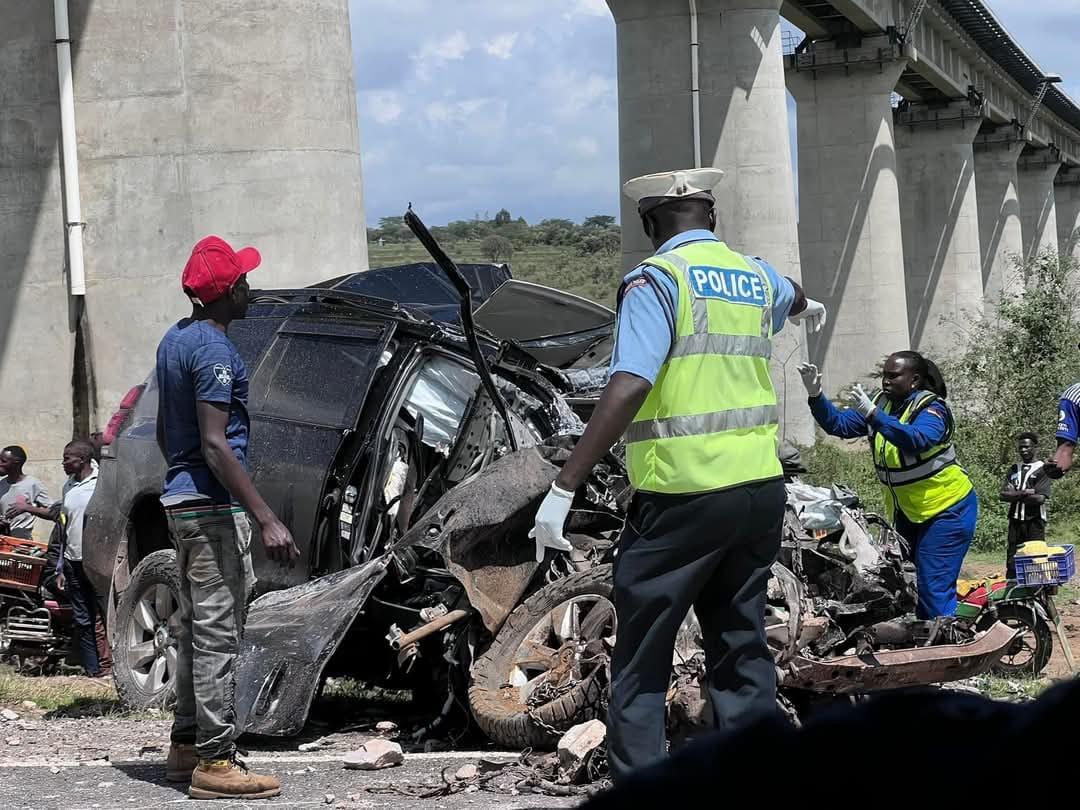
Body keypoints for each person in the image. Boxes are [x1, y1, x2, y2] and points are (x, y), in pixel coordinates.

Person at [531, 168, 827, 782]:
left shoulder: (656, 281)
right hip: (759, 491)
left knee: (643, 649)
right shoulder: (754, 275)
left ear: (648, 224)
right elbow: (794, 293)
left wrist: (565, 485)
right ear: (712, 218)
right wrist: (805, 304)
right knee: (740, 641)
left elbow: (632, 381)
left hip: (683, 495)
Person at [156, 235, 299, 800]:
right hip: (212, 507)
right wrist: (265, 516)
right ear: (229, 292)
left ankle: (186, 746)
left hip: (183, 502)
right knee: (218, 634)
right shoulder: (216, 352)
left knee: (195, 630)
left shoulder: (176, 339)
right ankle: (216, 763)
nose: (250, 287)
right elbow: (216, 445)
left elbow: (180, 434)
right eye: (243, 280)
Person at [798, 351, 978, 618]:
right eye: (884, 375)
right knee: (905, 582)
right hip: (909, 512)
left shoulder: (932, 409)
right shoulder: (882, 405)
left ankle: (947, 647)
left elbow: (917, 439)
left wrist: (873, 415)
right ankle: (927, 636)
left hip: (946, 509)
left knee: (932, 585)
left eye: (894, 376)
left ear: (914, 380)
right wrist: (816, 395)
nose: (886, 381)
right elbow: (838, 425)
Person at [52, 440, 102, 676]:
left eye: (67, 458)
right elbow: (64, 528)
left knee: (105, 615)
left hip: (99, 561)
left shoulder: (101, 482)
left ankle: (112, 667)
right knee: (83, 619)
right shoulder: (68, 486)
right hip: (73, 562)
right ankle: (92, 670)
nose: (63, 463)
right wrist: (61, 566)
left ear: (82, 459)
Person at [1000, 433, 1051, 579]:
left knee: (1036, 558)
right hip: (1015, 521)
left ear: (1035, 447)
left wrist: (1014, 494)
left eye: (1027, 447)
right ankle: (1013, 593)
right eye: (1021, 447)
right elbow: (1003, 495)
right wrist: (1025, 492)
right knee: (1012, 558)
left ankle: (1037, 594)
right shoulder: (1014, 468)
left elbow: (1040, 498)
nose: (1023, 450)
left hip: (1034, 521)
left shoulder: (1043, 469)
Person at [0, 446, 55, 539]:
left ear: (16, 464)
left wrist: (28, 508)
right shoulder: (2, 484)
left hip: (21, 543)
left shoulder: (33, 484)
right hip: (3, 541)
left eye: (3, 461)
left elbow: (54, 513)